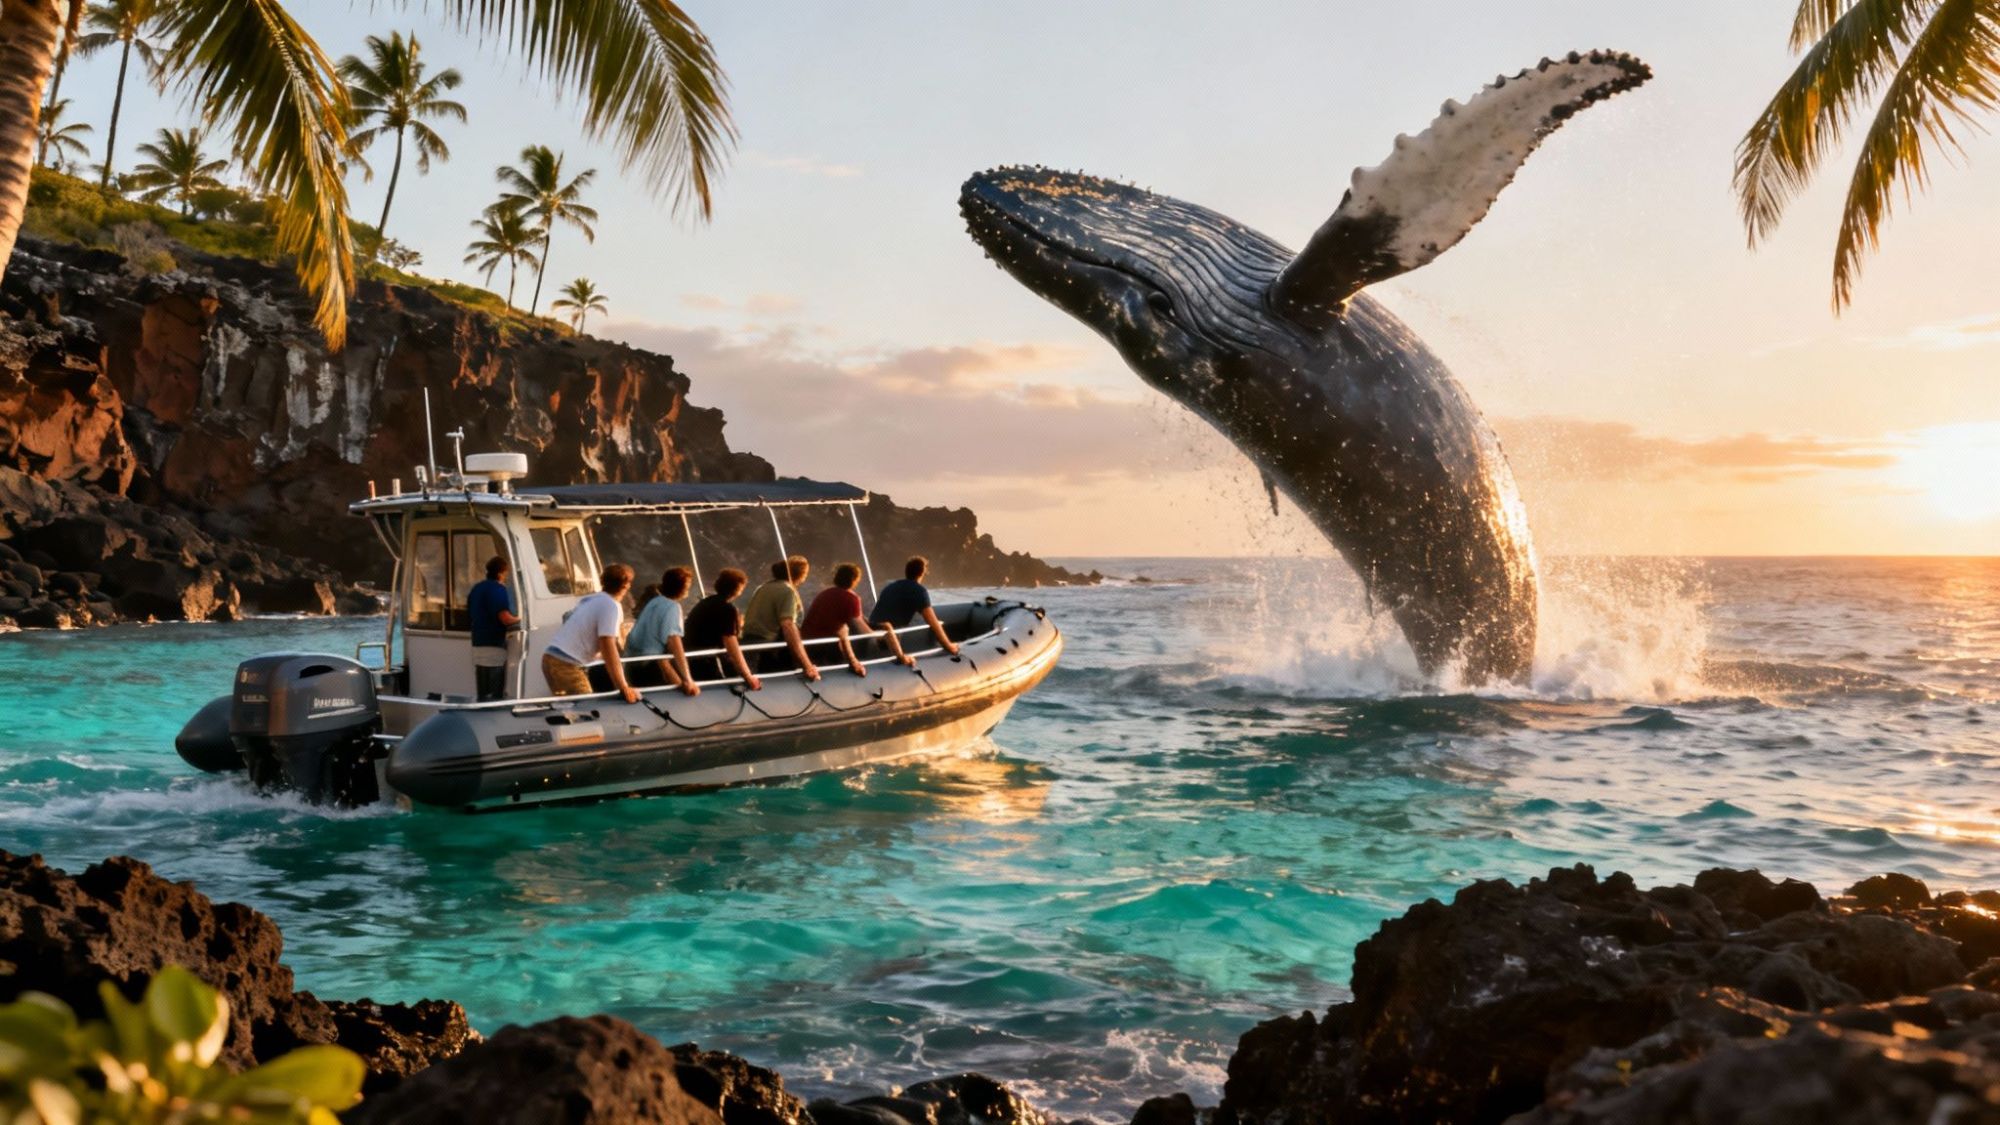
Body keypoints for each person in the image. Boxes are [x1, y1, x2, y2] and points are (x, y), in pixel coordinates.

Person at [541, 563, 640, 703]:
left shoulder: (591, 599)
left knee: (571, 710)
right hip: (566, 664)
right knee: (588, 710)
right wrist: (623, 686)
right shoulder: (610, 606)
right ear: (626, 586)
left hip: (550, 658)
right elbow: (608, 647)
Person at [801, 562, 915, 677]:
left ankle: (896, 654)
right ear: (855, 580)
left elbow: (859, 619)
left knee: (885, 626)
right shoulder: (850, 598)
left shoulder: (825, 593)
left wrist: (883, 627)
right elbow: (862, 631)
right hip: (827, 645)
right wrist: (885, 636)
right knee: (885, 631)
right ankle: (901, 658)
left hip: (807, 642)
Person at [741, 555, 820, 681]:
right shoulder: (787, 591)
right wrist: (807, 666)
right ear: (802, 575)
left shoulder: (763, 587)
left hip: (749, 641)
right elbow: (788, 625)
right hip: (769, 648)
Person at [683, 568, 763, 689]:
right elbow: (731, 643)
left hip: (691, 659)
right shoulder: (727, 609)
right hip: (708, 661)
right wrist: (747, 675)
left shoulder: (705, 602)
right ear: (738, 590)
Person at [625, 566, 699, 697]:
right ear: (683, 588)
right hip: (653, 666)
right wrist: (688, 678)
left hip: (633, 665)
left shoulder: (654, 602)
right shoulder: (672, 607)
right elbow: (674, 643)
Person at [871, 556, 959, 656]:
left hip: (871, 633)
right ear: (922, 573)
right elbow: (933, 622)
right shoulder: (919, 591)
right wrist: (949, 646)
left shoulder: (891, 586)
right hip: (888, 638)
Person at [467, 556, 521, 702]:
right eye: (507, 572)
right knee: (494, 693)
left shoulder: (477, 588)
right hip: (493, 644)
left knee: (483, 692)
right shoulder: (498, 590)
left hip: (477, 643)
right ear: (501, 573)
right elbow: (505, 618)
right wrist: (521, 619)